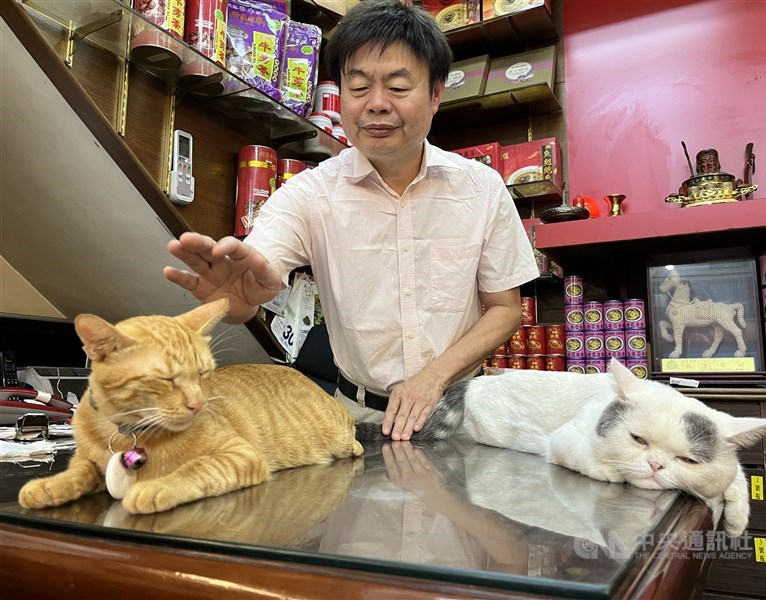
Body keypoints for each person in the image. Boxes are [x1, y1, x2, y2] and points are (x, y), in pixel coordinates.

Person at [164, 0, 539, 441]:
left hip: (462, 412)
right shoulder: (309, 194)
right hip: (356, 417)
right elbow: (255, 272)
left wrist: (433, 377)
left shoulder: (481, 188)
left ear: (436, 94)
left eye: (398, 87)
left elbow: (504, 309)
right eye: (358, 87)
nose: (376, 105)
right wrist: (237, 301)